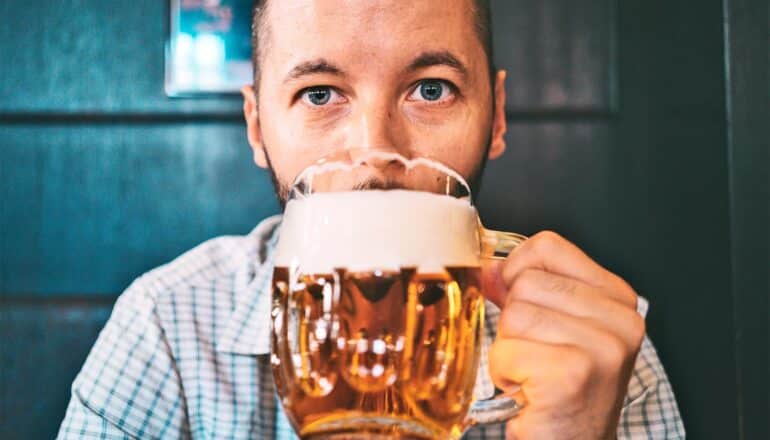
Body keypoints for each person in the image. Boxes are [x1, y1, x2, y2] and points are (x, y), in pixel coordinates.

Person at [57, 0, 684, 438]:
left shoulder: (594, 353)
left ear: (495, 118)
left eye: (431, 89)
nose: (376, 156)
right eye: (320, 94)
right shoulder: (167, 327)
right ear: (257, 126)